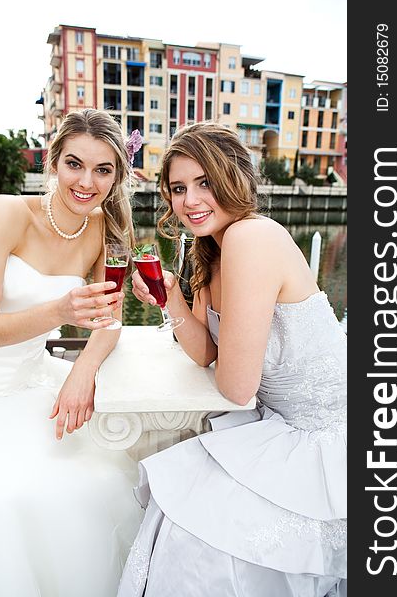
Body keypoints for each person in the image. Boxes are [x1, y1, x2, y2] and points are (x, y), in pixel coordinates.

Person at [118, 122, 347, 597]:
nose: (190, 200)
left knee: (199, 534)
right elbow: (205, 351)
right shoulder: (211, 254)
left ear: (235, 179)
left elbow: (236, 386)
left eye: (204, 182)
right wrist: (169, 300)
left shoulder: (252, 237)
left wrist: (221, 352)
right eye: (178, 188)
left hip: (327, 439)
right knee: (181, 510)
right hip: (284, 426)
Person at [0, 109, 144, 597]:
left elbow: (108, 321)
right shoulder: (5, 213)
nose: (86, 182)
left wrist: (84, 368)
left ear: (117, 176)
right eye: (74, 164)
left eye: (103, 170)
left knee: (100, 481)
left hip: (32, 378)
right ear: (54, 162)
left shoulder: (103, 228)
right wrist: (60, 308)